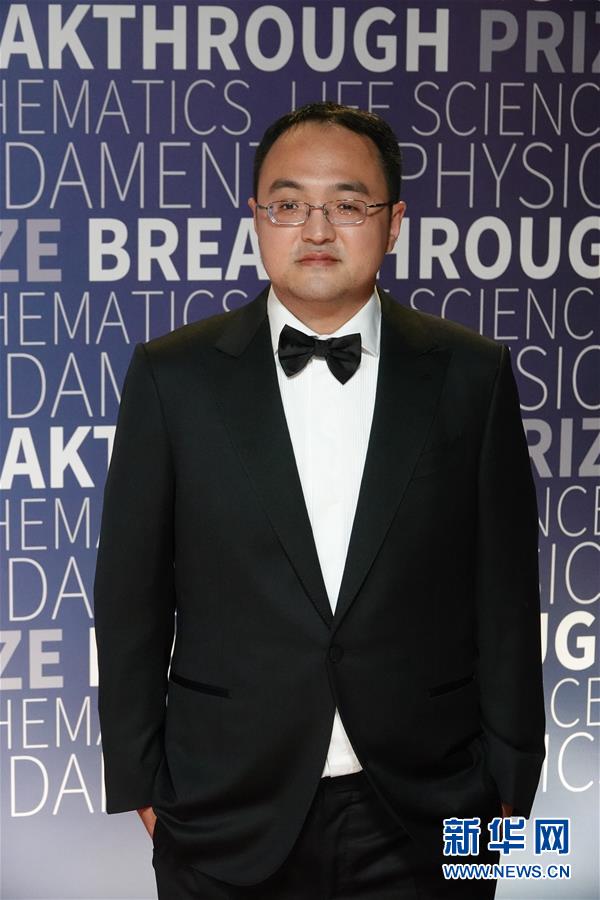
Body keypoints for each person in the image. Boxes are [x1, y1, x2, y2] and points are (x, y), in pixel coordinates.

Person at [94, 102, 545, 899]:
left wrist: (509, 794)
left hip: (434, 807)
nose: (316, 229)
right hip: (221, 809)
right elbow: (131, 597)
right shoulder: (173, 376)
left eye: (347, 204)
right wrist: (143, 788)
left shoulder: (472, 375)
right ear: (256, 218)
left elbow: (505, 600)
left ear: (393, 222)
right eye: (288, 204)